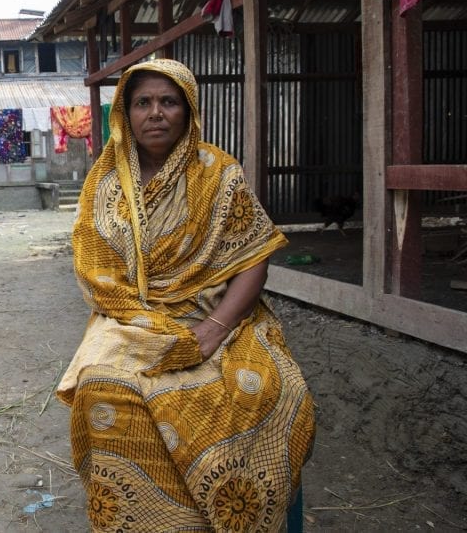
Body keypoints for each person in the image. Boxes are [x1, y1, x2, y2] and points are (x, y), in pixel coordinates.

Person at [58, 58, 315, 532]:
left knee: (272, 387)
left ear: (188, 110)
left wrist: (215, 330)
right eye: (143, 103)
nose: (155, 113)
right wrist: (149, 327)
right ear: (125, 114)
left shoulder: (219, 173)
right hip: (130, 321)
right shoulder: (104, 182)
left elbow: (253, 258)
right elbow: (96, 272)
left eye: (168, 101)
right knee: (106, 389)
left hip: (221, 316)